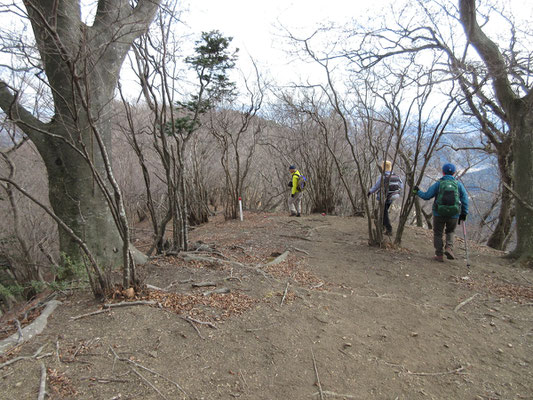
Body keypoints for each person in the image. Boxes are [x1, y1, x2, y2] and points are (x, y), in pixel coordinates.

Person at [413, 163, 469, 262]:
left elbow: (426, 196)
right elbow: (465, 199)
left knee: (438, 233)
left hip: (439, 213)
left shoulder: (439, 184)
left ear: (443, 172)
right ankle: (449, 248)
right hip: (454, 214)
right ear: (454, 172)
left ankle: (439, 255)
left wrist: (417, 191)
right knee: (450, 231)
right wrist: (464, 213)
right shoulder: (458, 185)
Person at [367, 161, 403, 235]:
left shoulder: (383, 176)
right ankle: (383, 226)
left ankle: (389, 229)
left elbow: (376, 186)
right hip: (393, 196)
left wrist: (370, 192)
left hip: (384, 197)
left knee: (384, 212)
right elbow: (401, 185)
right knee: (385, 211)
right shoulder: (396, 176)